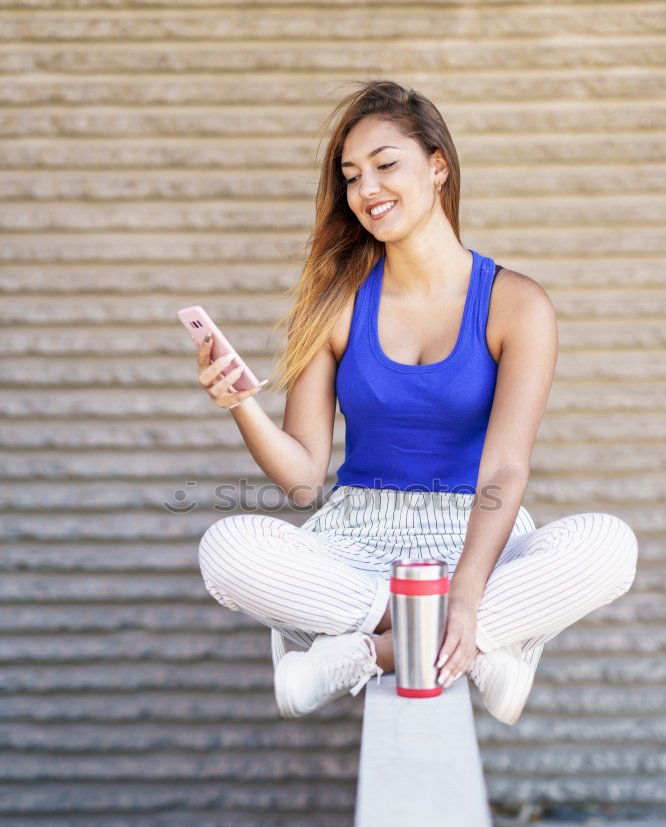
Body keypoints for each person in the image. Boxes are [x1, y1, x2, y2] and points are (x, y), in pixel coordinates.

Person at [196, 79, 638, 725]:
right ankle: (477, 648)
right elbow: (300, 480)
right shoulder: (334, 304)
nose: (366, 188)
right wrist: (239, 404)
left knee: (608, 543)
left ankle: (368, 654)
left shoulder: (518, 304)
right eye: (350, 175)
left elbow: (505, 469)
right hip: (358, 538)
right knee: (229, 546)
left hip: (477, 536)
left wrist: (465, 591)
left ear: (437, 166)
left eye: (385, 164)